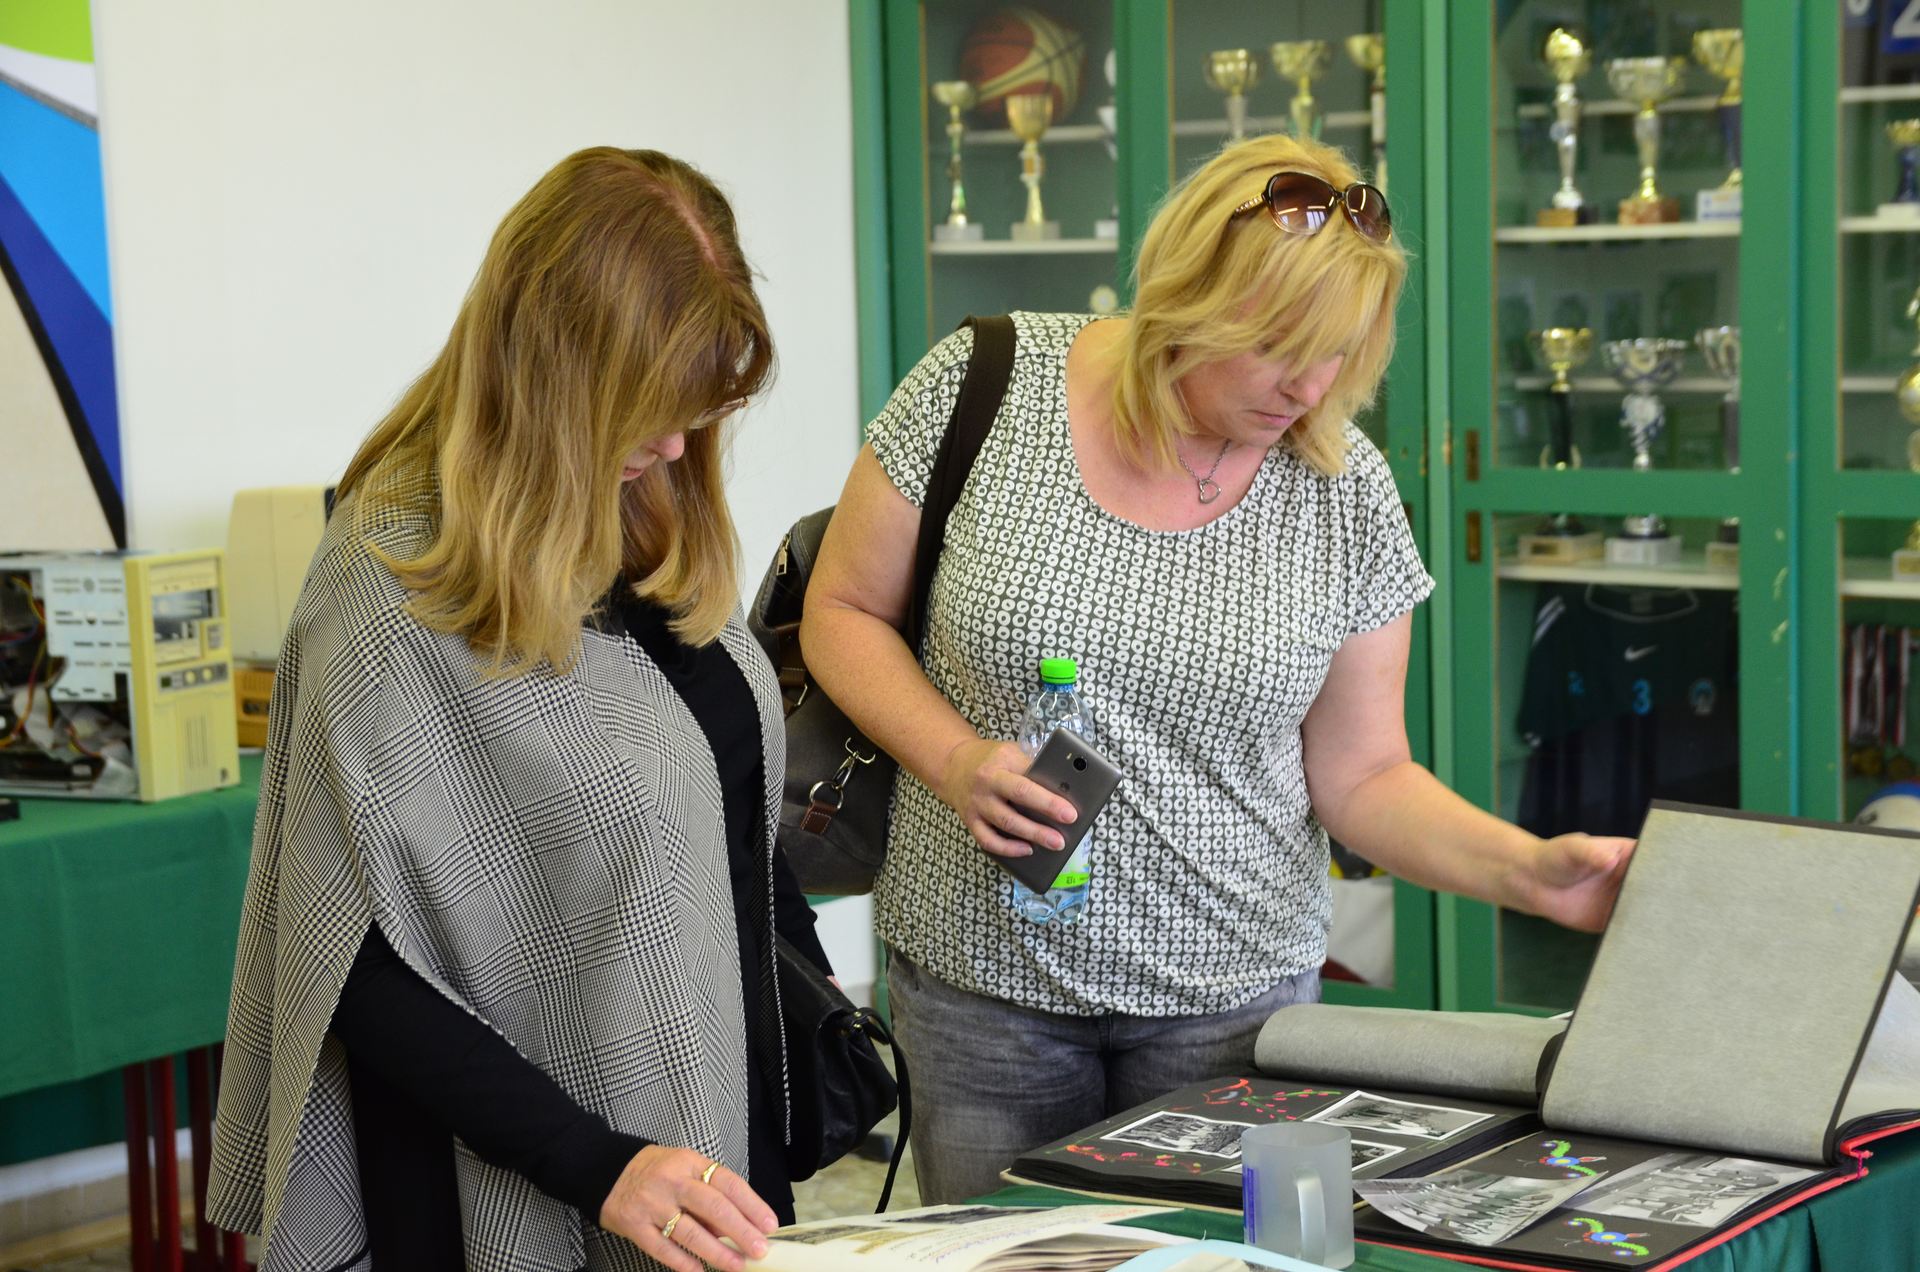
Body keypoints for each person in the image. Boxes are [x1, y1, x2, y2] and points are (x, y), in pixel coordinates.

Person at [800, 133, 1634, 1203]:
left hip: (1236, 1007)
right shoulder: (985, 384)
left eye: (1341, 353)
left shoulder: (1344, 488)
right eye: (1280, 346)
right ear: (1189, 298)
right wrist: (956, 761)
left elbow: (1365, 776)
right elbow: (844, 611)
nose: (1311, 386)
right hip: (981, 991)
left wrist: (1528, 873)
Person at [206, 146, 827, 1272]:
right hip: (521, 1178)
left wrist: (810, 1002)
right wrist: (598, 1165)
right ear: (556, 372)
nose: (676, 446)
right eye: (649, 409)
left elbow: (726, 805)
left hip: (711, 1145)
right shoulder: (393, 577)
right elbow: (346, 965)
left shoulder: (649, 512)